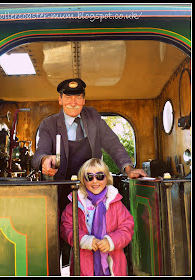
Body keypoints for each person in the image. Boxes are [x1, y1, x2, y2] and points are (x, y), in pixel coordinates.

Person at [32, 78, 147, 213]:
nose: (73, 103)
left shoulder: (94, 118)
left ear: (84, 100)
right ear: (60, 99)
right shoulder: (48, 124)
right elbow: (38, 156)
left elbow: (113, 144)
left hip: (92, 189)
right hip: (60, 193)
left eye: (78, 97)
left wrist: (128, 169)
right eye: (68, 97)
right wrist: (44, 160)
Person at [60, 158, 134, 276]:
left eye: (99, 176)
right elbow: (66, 227)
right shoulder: (75, 203)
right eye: (89, 177)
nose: (95, 181)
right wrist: (84, 240)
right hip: (84, 264)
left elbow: (127, 228)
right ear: (83, 180)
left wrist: (111, 241)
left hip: (113, 264)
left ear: (107, 178)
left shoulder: (115, 202)